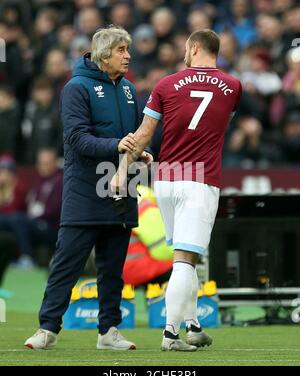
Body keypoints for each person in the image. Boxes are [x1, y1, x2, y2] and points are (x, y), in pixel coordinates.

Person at [111, 29, 242, 351]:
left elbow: (143, 133)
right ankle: (171, 336)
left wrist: (121, 170)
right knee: (185, 259)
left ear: (194, 47)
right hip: (200, 180)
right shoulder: (234, 87)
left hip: (166, 178)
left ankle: (193, 326)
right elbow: (220, 122)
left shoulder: (166, 85)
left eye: (186, 48)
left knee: (186, 257)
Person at [25, 26, 152, 350]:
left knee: (113, 269)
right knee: (67, 264)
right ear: (103, 54)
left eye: (128, 49)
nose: (128, 55)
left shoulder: (129, 90)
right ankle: (47, 329)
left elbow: (136, 135)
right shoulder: (76, 88)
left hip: (123, 187)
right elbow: (77, 139)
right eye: (122, 50)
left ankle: (109, 331)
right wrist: (119, 144)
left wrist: (141, 152)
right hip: (84, 189)